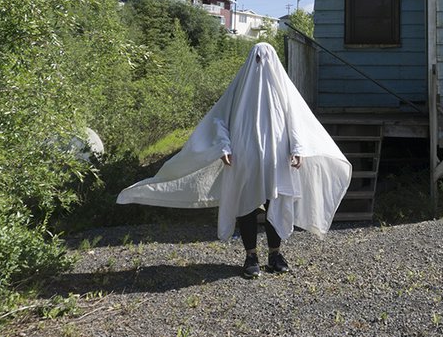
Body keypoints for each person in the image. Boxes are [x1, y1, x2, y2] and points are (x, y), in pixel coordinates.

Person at [118, 42, 351, 278]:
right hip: (243, 159)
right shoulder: (239, 89)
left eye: (266, 57)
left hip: (276, 159)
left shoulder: (283, 89)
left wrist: (298, 148)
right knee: (245, 205)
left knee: (276, 202)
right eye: (257, 58)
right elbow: (219, 120)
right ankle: (251, 256)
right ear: (251, 60)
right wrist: (224, 146)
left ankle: (275, 254)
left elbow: (296, 120)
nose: (261, 63)